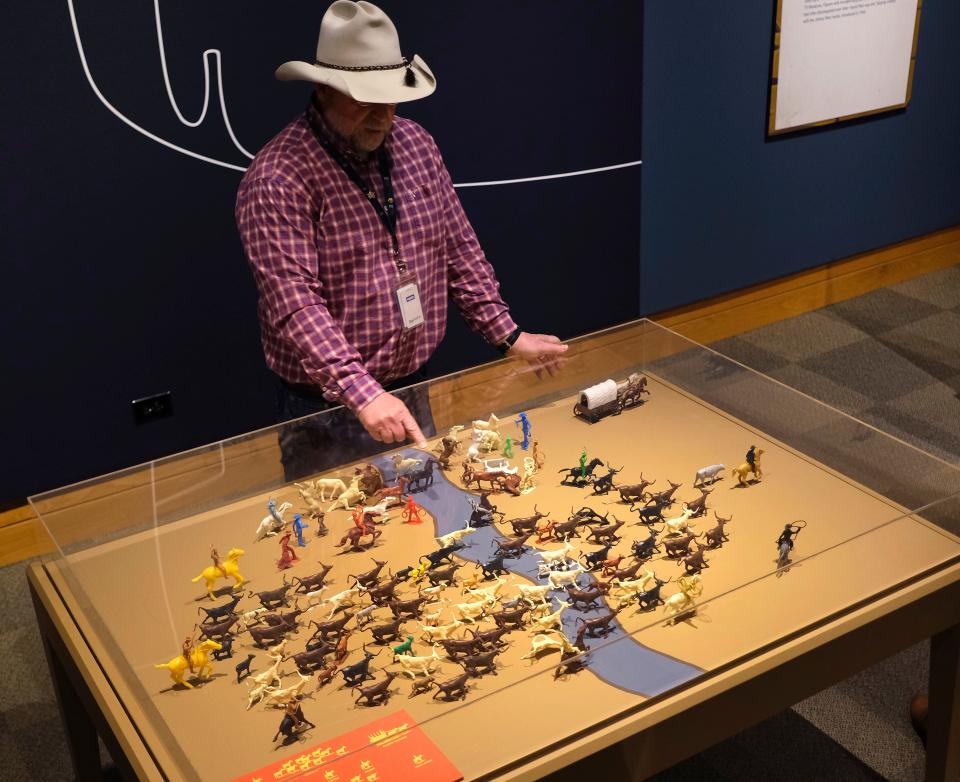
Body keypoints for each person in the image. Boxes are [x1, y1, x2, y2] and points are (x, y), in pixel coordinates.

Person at [236, 1, 566, 478]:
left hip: (411, 388)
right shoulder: (278, 179)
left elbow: (458, 246)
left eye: (392, 98)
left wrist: (507, 334)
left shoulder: (416, 144)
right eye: (366, 100)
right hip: (330, 408)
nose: (384, 115)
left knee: (425, 523)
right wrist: (363, 393)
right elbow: (294, 303)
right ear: (326, 89)